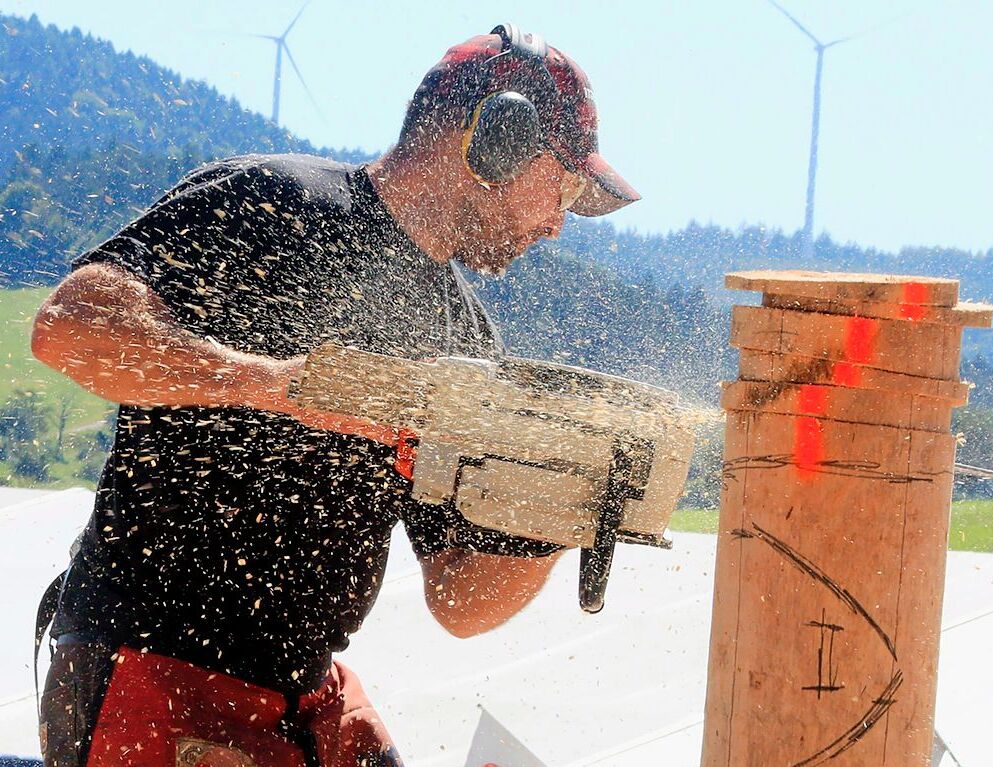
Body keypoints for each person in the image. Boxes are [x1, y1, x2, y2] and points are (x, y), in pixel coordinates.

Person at [31, 23, 639, 767]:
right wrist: (276, 384)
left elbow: (459, 598)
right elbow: (69, 326)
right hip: (154, 663)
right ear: (497, 139)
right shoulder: (274, 204)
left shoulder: (467, 344)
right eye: (565, 185)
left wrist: (560, 508)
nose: (559, 223)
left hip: (303, 691)